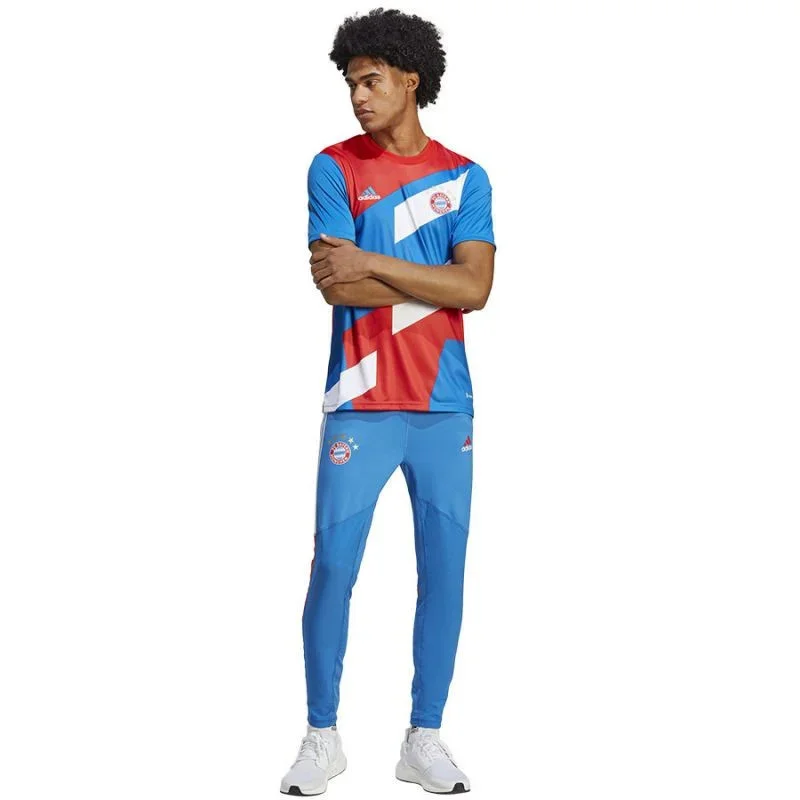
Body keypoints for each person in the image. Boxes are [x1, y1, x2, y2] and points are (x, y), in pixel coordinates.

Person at [280, 8, 496, 796]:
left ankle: (424, 738)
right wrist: (436, 281)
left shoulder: (466, 177)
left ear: (411, 80)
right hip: (358, 403)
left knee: (445, 574)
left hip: (444, 407)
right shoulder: (332, 167)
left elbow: (477, 288)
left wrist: (374, 263)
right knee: (334, 568)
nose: (358, 96)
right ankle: (322, 737)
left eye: (371, 80)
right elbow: (336, 287)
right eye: (350, 82)